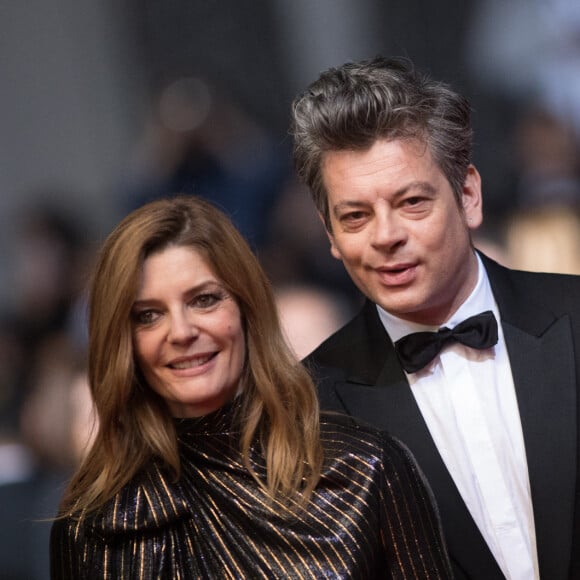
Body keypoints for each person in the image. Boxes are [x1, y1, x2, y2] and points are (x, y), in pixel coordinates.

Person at [49, 195, 452, 579]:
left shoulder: (364, 469)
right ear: (123, 342)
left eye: (204, 300)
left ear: (247, 309)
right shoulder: (97, 526)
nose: (182, 332)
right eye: (149, 315)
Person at [290, 56, 580, 580]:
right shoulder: (308, 412)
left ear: (468, 195)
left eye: (411, 202)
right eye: (355, 216)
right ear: (329, 235)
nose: (385, 236)